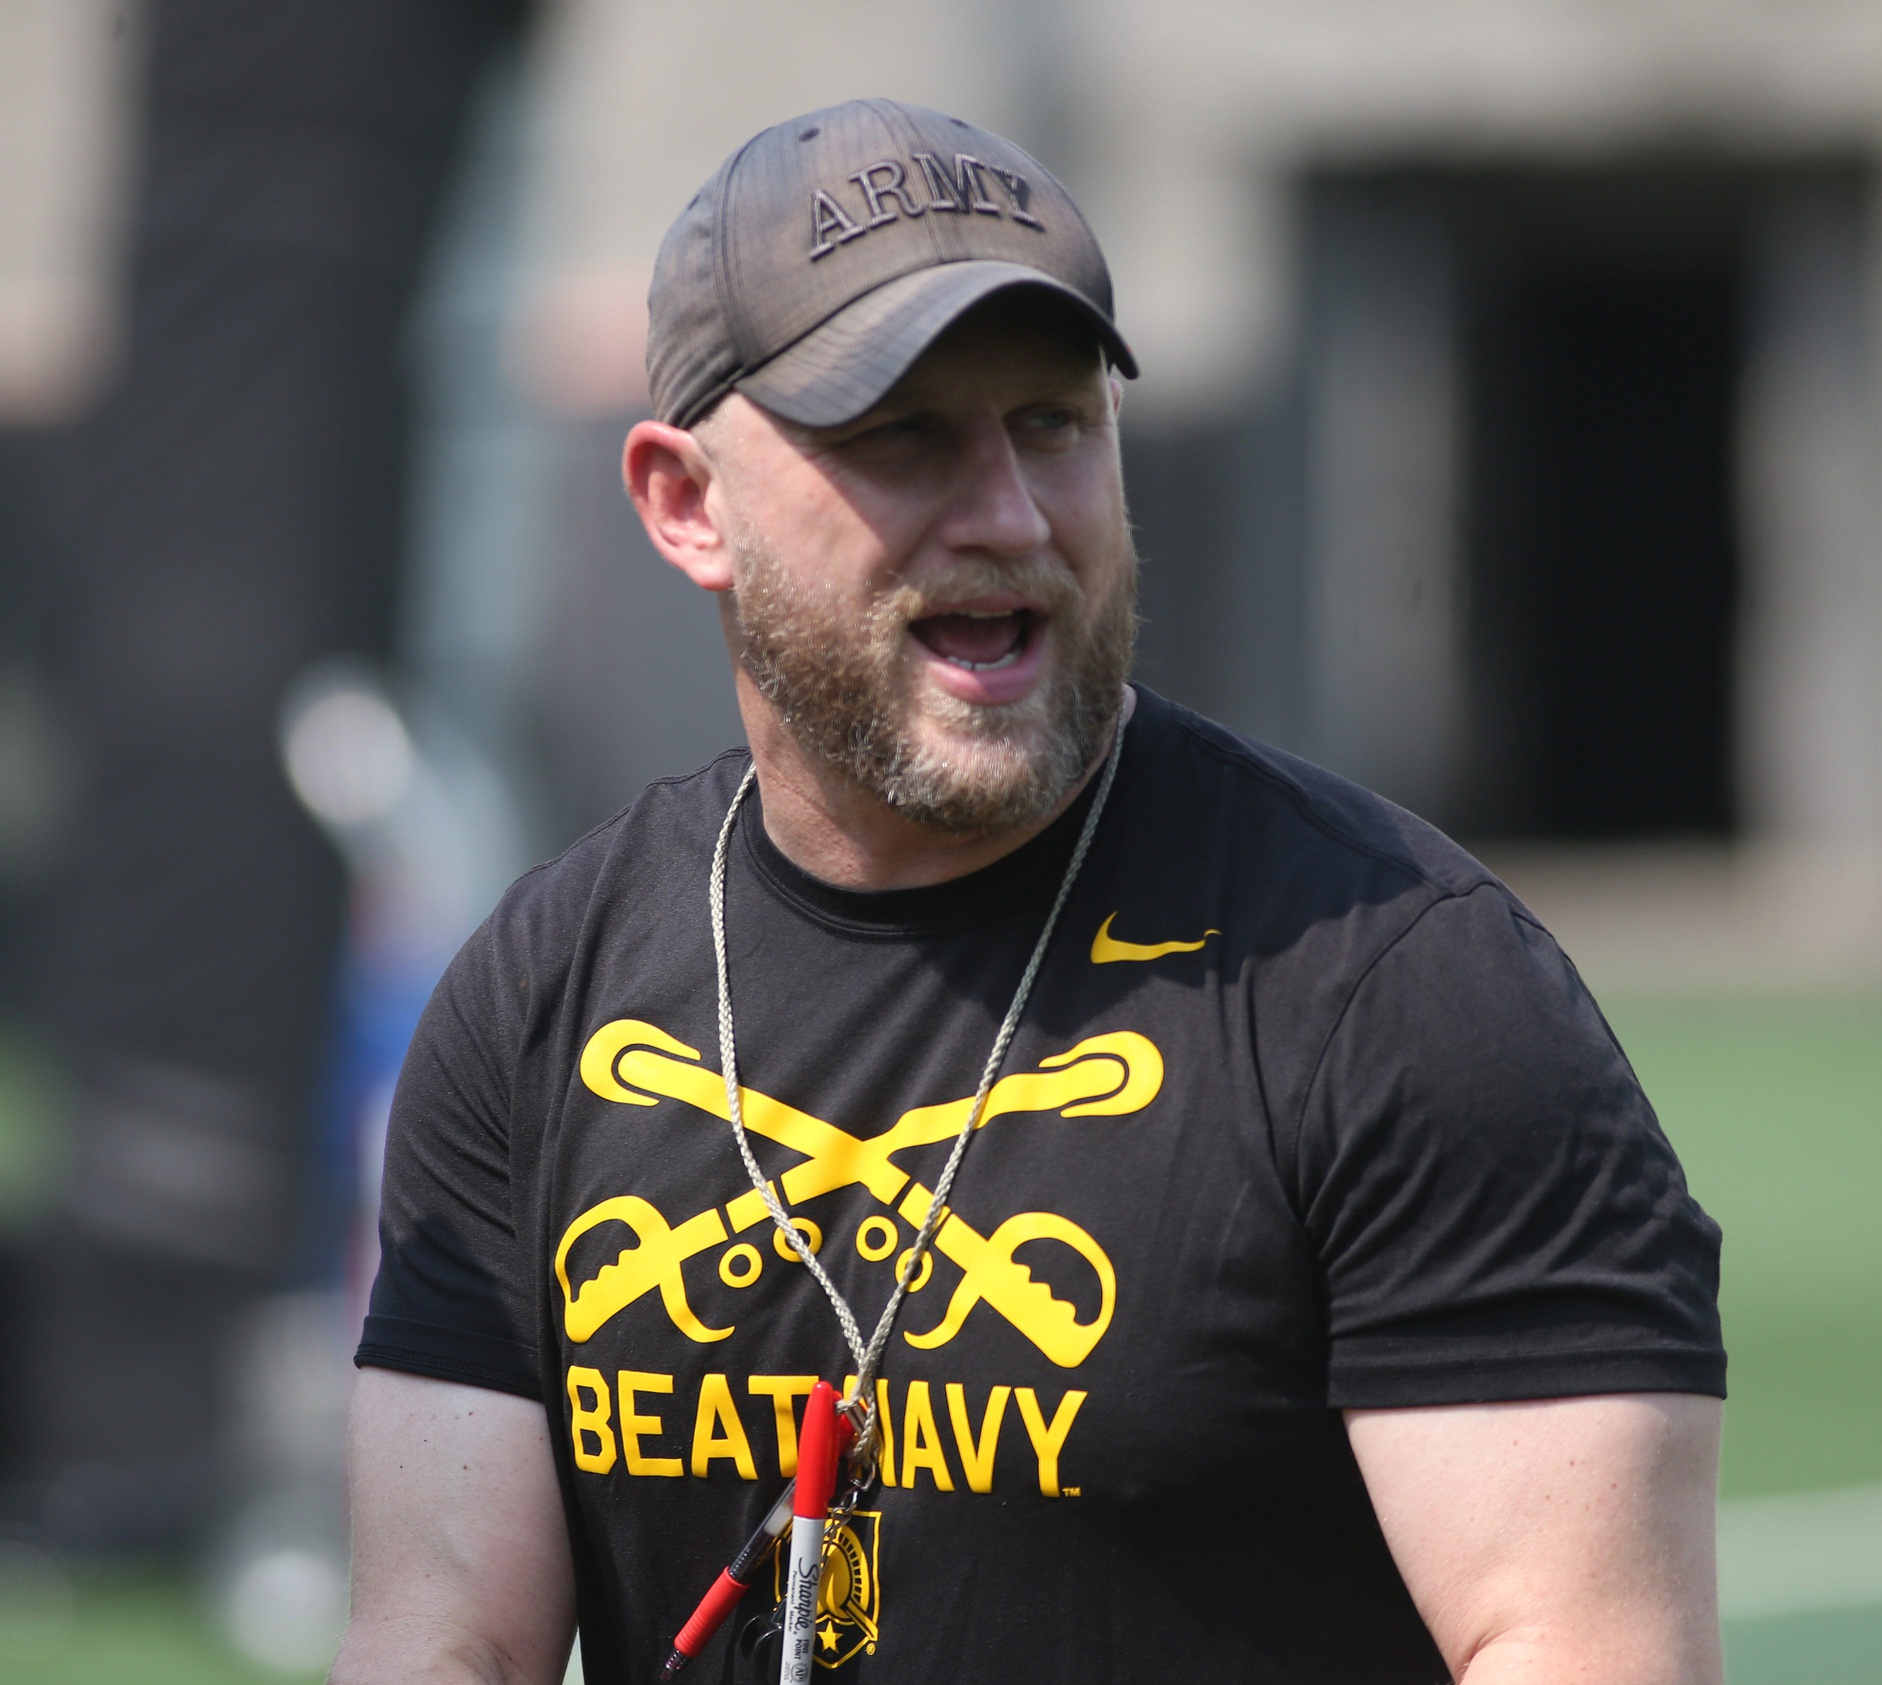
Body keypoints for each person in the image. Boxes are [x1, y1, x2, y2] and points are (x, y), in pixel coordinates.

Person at [332, 100, 1725, 1685]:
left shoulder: (1394, 987)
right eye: (902, 436)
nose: (1005, 513)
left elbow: (1575, 1645)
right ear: (683, 504)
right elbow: (442, 1641)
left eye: (1053, 423)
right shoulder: (544, 990)